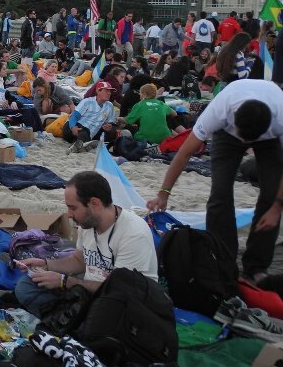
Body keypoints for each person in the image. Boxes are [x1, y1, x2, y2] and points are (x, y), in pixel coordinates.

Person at [147, 79, 283, 282]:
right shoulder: (220, 110)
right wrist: (163, 193)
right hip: (226, 134)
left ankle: (256, 267)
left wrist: (276, 208)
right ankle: (223, 261)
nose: (244, 145)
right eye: (242, 138)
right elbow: (184, 153)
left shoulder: (280, 119)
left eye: (249, 143)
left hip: (268, 138)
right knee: (220, 194)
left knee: (271, 197)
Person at [16, 171, 158, 317]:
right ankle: (70, 320)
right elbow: (79, 260)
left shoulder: (133, 233)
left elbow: (119, 290)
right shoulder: (87, 223)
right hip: (89, 293)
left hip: (124, 302)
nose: (69, 215)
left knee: (105, 312)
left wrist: (64, 281)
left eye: (73, 208)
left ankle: (69, 322)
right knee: (26, 286)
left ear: (95, 203)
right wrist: (45, 264)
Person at [62, 80, 117, 152]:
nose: (109, 93)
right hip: (74, 126)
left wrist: (108, 127)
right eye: (107, 91)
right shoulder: (87, 102)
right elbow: (74, 116)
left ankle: (77, 144)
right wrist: (73, 127)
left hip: (89, 132)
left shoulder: (110, 106)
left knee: (87, 132)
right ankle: (79, 145)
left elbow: (109, 123)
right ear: (98, 91)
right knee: (83, 131)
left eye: (110, 91)